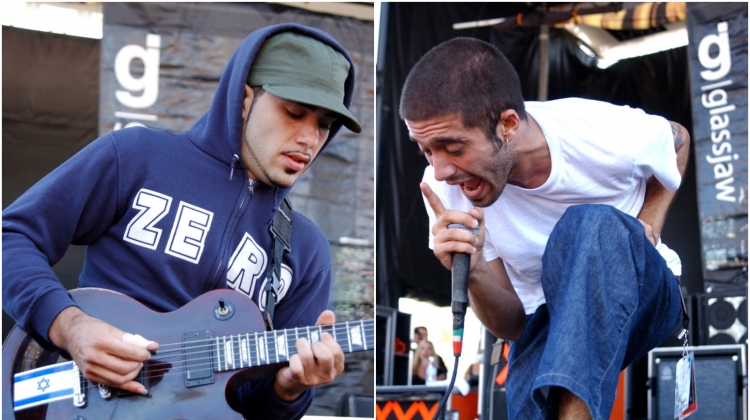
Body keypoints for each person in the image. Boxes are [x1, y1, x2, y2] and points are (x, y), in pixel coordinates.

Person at [3, 24, 363, 420]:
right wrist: (68, 326)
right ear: (245, 98)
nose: (310, 138)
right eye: (294, 112)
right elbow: (12, 236)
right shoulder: (137, 156)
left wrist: (289, 389)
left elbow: (262, 411)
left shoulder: (306, 251)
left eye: (325, 124)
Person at [400, 37, 689, 419]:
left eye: (453, 148)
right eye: (426, 151)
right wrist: (473, 271)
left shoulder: (600, 132)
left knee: (587, 225)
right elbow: (514, 326)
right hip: (546, 322)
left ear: (507, 125)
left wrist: (647, 225)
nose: (440, 171)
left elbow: (678, 140)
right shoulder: (441, 189)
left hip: (645, 292)